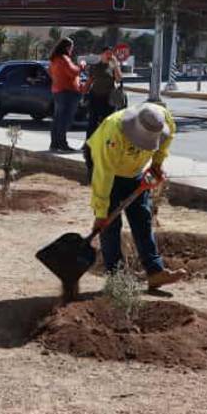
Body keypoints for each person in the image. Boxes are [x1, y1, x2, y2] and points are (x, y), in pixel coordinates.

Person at [85, 103, 187, 290]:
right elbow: (103, 174)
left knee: (142, 218)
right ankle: (117, 278)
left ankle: (155, 272)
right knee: (110, 224)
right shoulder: (113, 131)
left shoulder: (163, 120)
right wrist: (101, 213)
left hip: (135, 170)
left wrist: (157, 164)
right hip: (109, 171)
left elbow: (167, 139)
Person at [48, 37, 83, 153]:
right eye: (71, 48)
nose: (72, 50)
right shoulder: (64, 59)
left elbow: (50, 73)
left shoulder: (54, 59)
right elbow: (74, 72)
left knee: (57, 118)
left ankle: (54, 144)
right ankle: (62, 144)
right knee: (65, 119)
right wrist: (81, 66)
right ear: (67, 47)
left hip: (57, 91)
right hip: (68, 92)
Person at [83, 46, 125, 136]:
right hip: (95, 96)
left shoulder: (113, 67)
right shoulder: (95, 67)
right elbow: (90, 80)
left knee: (107, 122)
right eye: (107, 53)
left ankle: (105, 144)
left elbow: (119, 79)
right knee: (92, 122)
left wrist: (116, 65)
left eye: (111, 53)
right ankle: (89, 145)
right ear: (101, 55)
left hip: (108, 98)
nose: (109, 55)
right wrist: (84, 91)